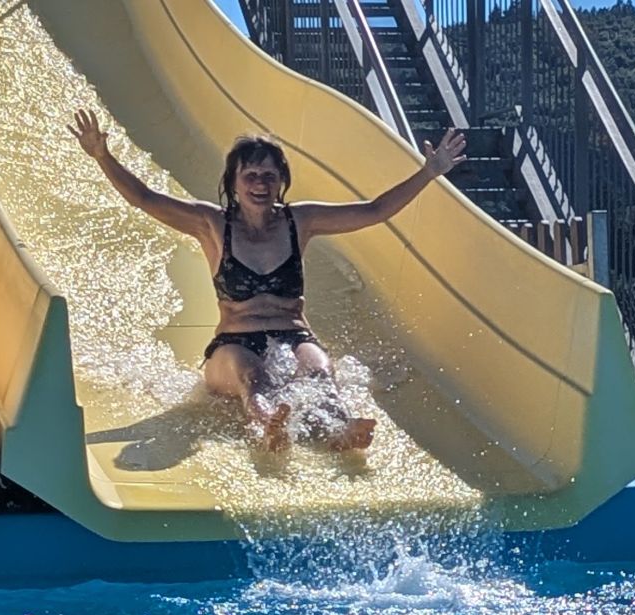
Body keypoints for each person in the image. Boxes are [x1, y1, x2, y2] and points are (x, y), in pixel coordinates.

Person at [67, 109, 466, 451]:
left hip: (294, 336)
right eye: (251, 175)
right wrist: (103, 156)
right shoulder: (212, 224)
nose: (260, 184)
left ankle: (341, 428)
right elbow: (145, 198)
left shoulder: (300, 221)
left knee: (320, 373)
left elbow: (374, 211)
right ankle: (267, 423)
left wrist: (430, 172)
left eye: (269, 177)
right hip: (233, 346)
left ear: (281, 182)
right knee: (253, 379)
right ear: (234, 182)